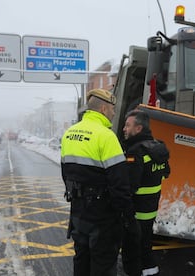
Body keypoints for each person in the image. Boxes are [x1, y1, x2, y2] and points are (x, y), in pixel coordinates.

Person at [60, 88, 135, 276]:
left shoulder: (69, 133)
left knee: (81, 259)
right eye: (112, 109)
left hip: (78, 211)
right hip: (103, 215)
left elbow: (65, 173)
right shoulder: (106, 136)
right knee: (103, 263)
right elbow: (119, 182)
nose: (113, 114)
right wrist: (127, 217)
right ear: (103, 109)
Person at [121, 109, 170, 276]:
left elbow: (129, 186)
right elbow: (166, 173)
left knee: (131, 251)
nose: (124, 129)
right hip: (150, 211)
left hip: (136, 213)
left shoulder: (135, 152)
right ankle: (151, 272)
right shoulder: (158, 148)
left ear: (139, 129)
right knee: (145, 247)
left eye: (128, 125)